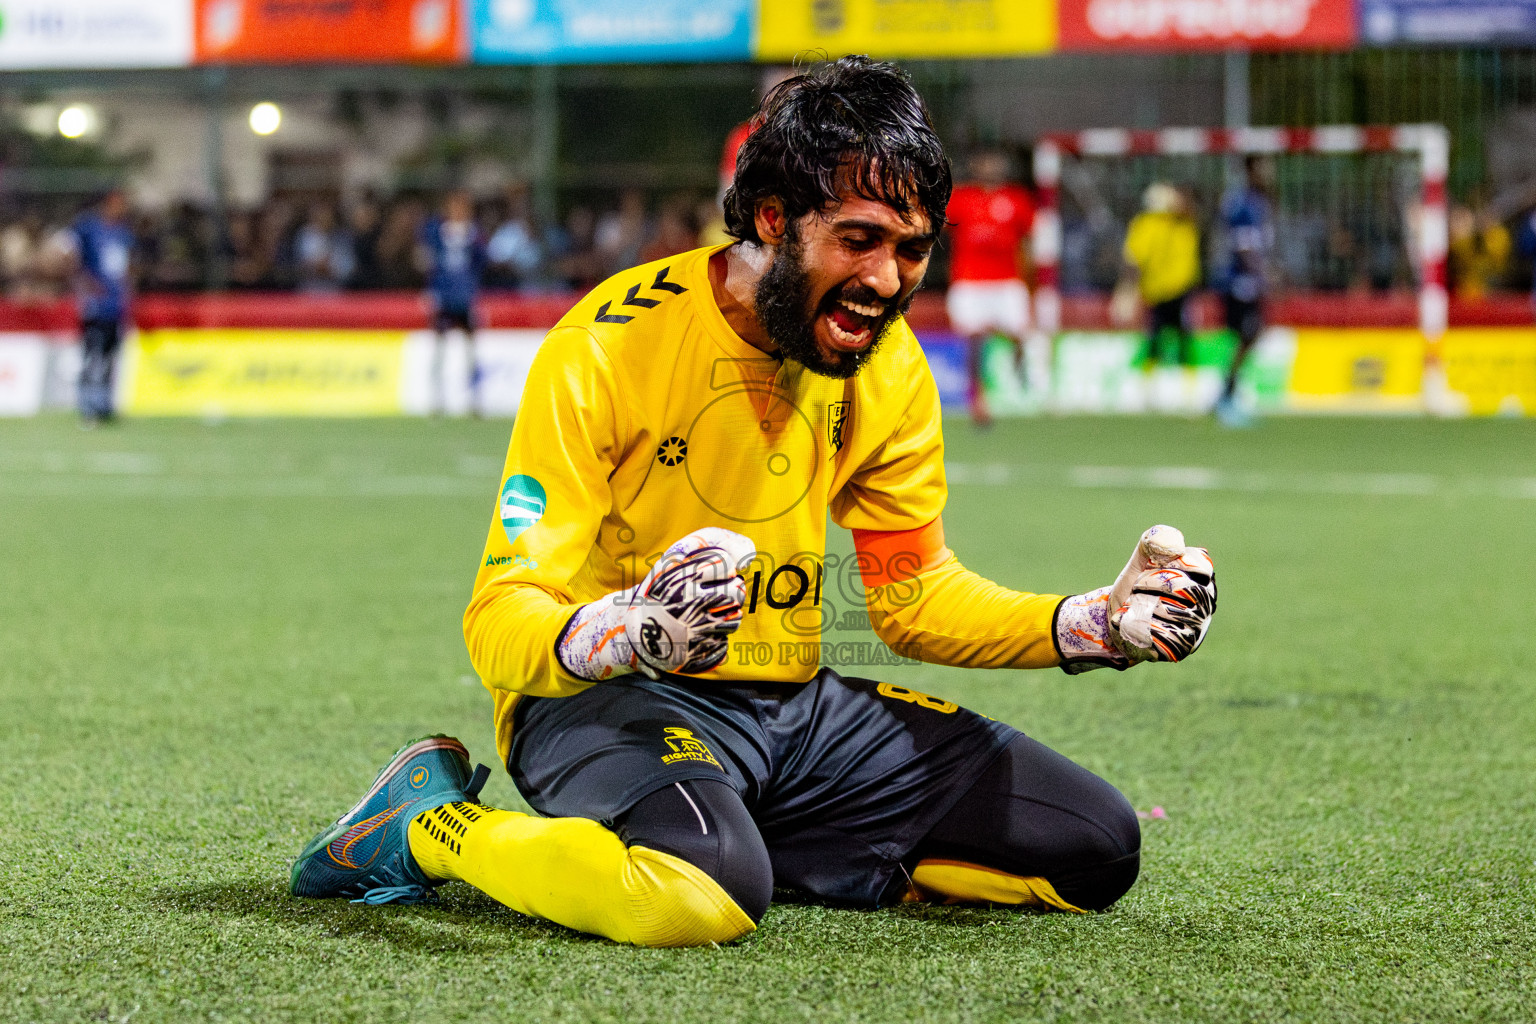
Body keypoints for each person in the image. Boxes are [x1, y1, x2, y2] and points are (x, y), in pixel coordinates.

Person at [289, 56, 1218, 948]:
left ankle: (749, 836)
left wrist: (1090, 623)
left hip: (791, 708)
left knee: (1094, 846)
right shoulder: (608, 348)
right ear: (771, 219)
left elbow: (913, 598)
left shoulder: (888, 363)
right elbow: (499, 616)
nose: (887, 283)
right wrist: (620, 630)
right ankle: (430, 828)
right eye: (858, 240)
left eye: (911, 251)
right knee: (701, 896)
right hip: (608, 698)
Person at [944, 150, 1035, 426]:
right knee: (974, 337)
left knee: (1019, 334)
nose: (991, 166)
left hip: (1007, 280)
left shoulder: (1017, 199)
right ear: (976, 166)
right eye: (985, 161)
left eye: (995, 161)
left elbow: (1029, 241)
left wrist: (1030, 280)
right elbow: (939, 230)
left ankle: (1020, 367)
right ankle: (978, 398)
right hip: (970, 280)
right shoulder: (961, 198)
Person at [1113, 183, 1202, 399]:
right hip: (1158, 292)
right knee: (1156, 339)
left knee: (1184, 339)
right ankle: (1148, 388)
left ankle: (1189, 391)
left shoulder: (1182, 222)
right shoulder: (1147, 224)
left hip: (1180, 289)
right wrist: (1127, 290)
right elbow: (1134, 260)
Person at [1214, 156, 1275, 428]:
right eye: (1264, 168)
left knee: (1250, 335)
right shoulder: (1244, 204)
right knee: (1247, 334)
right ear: (1252, 170)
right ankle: (1226, 398)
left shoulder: (1254, 202)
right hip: (1240, 283)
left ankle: (1227, 394)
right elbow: (1244, 246)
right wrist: (1263, 275)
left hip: (1245, 282)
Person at [65, 189, 135, 425]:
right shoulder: (87, 228)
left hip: (116, 304)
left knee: (110, 355)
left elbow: (126, 266)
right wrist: (85, 284)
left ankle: (104, 404)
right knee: (91, 355)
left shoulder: (123, 233)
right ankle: (86, 405)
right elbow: (71, 256)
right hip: (96, 303)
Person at [418, 190, 488, 415]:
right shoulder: (437, 232)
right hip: (444, 296)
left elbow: (481, 263)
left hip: (465, 297)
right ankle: (436, 400)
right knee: (439, 347)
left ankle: (474, 401)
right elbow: (430, 264)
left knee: (471, 349)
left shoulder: (474, 235)